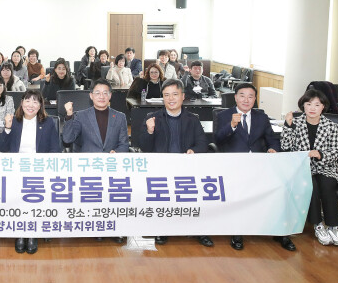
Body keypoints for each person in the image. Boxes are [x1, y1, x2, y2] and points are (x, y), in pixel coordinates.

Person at [213, 83, 295, 251]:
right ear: (235, 97)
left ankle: (281, 232)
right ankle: (237, 232)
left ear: (255, 99)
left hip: (259, 164)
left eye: (250, 96)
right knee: (239, 190)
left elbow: (272, 139)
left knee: (281, 187)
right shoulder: (223, 115)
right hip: (234, 165)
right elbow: (217, 140)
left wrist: (273, 149)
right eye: (242, 96)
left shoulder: (261, 117)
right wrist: (232, 125)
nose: (246, 100)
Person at [138, 79, 212, 247]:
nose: (171, 99)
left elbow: (202, 143)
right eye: (166, 95)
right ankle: (162, 229)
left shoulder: (192, 119)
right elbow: (144, 147)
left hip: (186, 168)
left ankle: (199, 230)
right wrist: (149, 131)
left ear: (183, 96)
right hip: (161, 170)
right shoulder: (152, 118)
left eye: (175, 94)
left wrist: (193, 150)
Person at [62, 79, 128, 244]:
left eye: (105, 93)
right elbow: (67, 138)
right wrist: (69, 116)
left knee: (114, 197)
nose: (101, 96)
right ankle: (97, 226)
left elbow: (124, 144)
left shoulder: (120, 117)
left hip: (111, 167)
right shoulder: (80, 115)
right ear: (91, 96)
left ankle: (114, 228)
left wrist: (117, 153)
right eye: (97, 93)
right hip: (88, 168)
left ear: (110, 95)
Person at [0, 89, 60, 254]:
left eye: (35, 101)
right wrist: (7, 128)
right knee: (18, 199)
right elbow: (2, 148)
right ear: (22, 103)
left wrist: (46, 168)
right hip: (16, 170)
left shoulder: (48, 122)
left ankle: (32, 233)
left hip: (39, 170)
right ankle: (20, 232)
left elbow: (55, 149)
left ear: (40, 106)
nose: (31, 105)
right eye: (27, 100)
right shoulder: (14, 121)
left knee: (33, 199)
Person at [281, 89, 338, 247]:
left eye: (317, 105)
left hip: (325, 166)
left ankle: (333, 227)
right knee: (312, 186)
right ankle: (318, 225)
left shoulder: (331, 126)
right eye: (308, 104)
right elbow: (285, 146)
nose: (312, 108)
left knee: (328, 184)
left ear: (323, 107)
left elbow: (336, 152)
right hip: (302, 168)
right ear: (303, 105)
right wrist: (288, 126)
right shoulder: (295, 123)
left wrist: (320, 154)